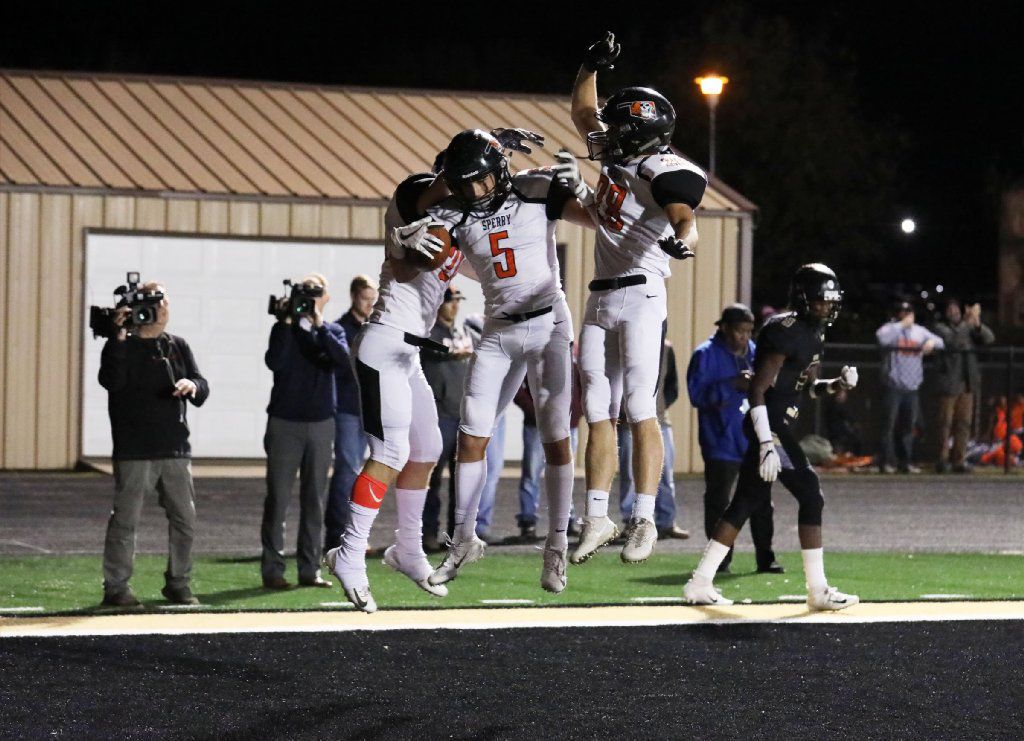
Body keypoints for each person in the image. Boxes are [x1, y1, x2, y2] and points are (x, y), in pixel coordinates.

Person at [325, 127, 549, 611]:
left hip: (408, 351)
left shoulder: (453, 219)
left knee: (425, 449)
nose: (469, 192)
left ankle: (407, 549)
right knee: (391, 449)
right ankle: (349, 551)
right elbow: (406, 264)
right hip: (384, 341)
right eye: (461, 182)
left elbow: (485, 257)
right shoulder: (415, 195)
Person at [422, 128, 596, 595]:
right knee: (471, 433)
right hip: (499, 329)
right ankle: (463, 539)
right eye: (463, 184)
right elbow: (423, 198)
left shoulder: (537, 187)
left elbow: (601, 220)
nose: (472, 193)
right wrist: (477, 147)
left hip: (548, 327)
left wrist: (582, 187)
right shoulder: (453, 209)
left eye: (478, 181)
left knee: (556, 436)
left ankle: (556, 545)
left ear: (499, 172)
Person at [568, 32, 709, 566]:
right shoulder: (624, 152)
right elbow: (584, 112)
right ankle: (598, 515)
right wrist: (589, 65)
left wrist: (685, 243)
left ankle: (645, 518)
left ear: (646, 136)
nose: (607, 137)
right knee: (597, 413)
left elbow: (686, 221)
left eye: (622, 130)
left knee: (639, 407)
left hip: (642, 295)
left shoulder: (663, 169)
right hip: (600, 296)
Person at [684, 264, 860, 610]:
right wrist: (766, 442)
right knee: (811, 494)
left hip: (776, 423)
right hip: (770, 425)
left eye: (830, 301)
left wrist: (837, 385)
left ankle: (700, 582)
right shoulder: (785, 330)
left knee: (745, 502)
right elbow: (758, 389)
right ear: (804, 299)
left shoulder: (812, 333)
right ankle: (818, 589)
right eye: (821, 301)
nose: (828, 307)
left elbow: (805, 388)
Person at [98, 281, 209, 607]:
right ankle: (116, 588)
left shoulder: (177, 345)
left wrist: (193, 384)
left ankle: (179, 583)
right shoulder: (120, 346)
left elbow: (202, 386)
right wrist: (118, 338)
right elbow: (112, 381)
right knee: (125, 520)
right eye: (156, 303)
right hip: (134, 449)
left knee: (185, 520)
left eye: (163, 302)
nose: (162, 309)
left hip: (174, 447)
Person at [261, 273, 349, 590]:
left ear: (326, 297)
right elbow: (276, 362)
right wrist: (286, 323)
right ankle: (273, 570)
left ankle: (309, 569)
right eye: (305, 293)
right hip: (285, 422)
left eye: (316, 293)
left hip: (321, 423)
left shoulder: (333, 331)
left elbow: (343, 361)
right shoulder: (282, 330)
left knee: (314, 500)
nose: (309, 299)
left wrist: (319, 325)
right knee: (278, 499)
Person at [687, 304, 780, 574]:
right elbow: (696, 395)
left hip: (752, 440)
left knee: (762, 500)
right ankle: (720, 560)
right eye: (740, 331)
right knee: (719, 501)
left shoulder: (753, 351)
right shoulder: (705, 354)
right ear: (725, 328)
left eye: (750, 331)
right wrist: (731, 385)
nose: (745, 337)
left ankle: (766, 557)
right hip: (721, 441)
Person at [615, 332, 689, 543]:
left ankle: (666, 521)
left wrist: (661, 406)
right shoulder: (624, 344)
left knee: (665, 473)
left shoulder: (666, 347)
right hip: (629, 420)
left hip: (660, 419)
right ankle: (631, 522)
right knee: (630, 474)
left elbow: (672, 384)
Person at [323, 274, 378, 550]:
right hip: (347, 409)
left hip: (371, 409)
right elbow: (344, 366)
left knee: (365, 473)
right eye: (365, 298)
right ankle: (336, 533)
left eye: (373, 299)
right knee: (346, 470)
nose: (369, 304)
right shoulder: (339, 329)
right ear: (354, 296)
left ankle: (356, 534)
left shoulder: (377, 327)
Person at [421, 287, 473, 551]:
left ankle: (456, 537)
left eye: (457, 301)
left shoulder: (460, 331)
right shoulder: (430, 332)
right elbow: (435, 350)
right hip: (438, 415)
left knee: (460, 481)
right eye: (450, 300)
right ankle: (427, 534)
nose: (454, 306)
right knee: (432, 479)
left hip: (459, 414)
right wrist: (454, 351)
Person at [513, 359, 583, 542]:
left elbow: (581, 388)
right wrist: (536, 413)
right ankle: (528, 521)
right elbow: (518, 390)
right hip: (536, 426)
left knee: (565, 472)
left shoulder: (570, 361)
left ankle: (567, 519)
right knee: (531, 474)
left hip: (567, 425)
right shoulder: (532, 359)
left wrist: (575, 414)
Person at [874, 300, 944, 473]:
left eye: (908, 312)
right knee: (888, 426)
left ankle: (905, 462)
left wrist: (932, 344)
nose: (906, 315)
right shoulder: (890, 329)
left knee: (907, 427)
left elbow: (941, 342)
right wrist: (901, 325)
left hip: (912, 387)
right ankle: (887, 462)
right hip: (894, 386)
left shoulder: (919, 332)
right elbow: (882, 339)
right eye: (902, 312)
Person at [933, 299, 995, 473]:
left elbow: (989, 338)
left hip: (967, 383)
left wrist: (977, 324)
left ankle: (959, 460)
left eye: (956, 309)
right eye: (950, 309)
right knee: (945, 423)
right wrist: (968, 324)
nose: (954, 312)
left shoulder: (967, 328)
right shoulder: (940, 328)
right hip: (949, 383)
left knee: (964, 423)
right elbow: (953, 341)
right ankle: (942, 460)